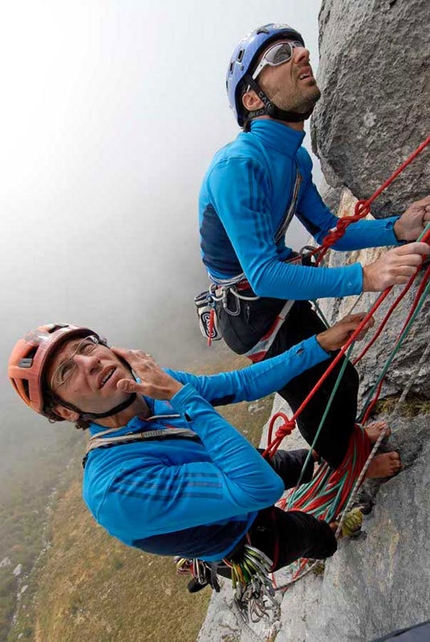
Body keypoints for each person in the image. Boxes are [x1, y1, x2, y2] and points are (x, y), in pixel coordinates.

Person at [8, 317, 399, 581]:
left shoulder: (153, 391)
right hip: (246, 538)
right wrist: (183, 397)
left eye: (87, 346)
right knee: (313, 534)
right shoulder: (116, 488)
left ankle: (355, 463)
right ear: (64, 409)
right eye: (67, 371)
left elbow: (241, 384)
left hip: (236, 470)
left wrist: (317, 345)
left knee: (304, 462)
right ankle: (331, 535)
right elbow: (258, 489)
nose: (89, 362)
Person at [198, 23, 430, 463]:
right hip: (252, 311)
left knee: (335, 376)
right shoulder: (236, 167)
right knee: (326, 386)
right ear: (253, 99)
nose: (301, 54)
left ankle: (348, 439)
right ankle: (348, 462)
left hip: (270, 294)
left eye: (298, 47)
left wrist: (397, 228)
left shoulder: (293, 156)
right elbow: (264, 273)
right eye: (280, 56)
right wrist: (367, 275)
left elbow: (328, 231)